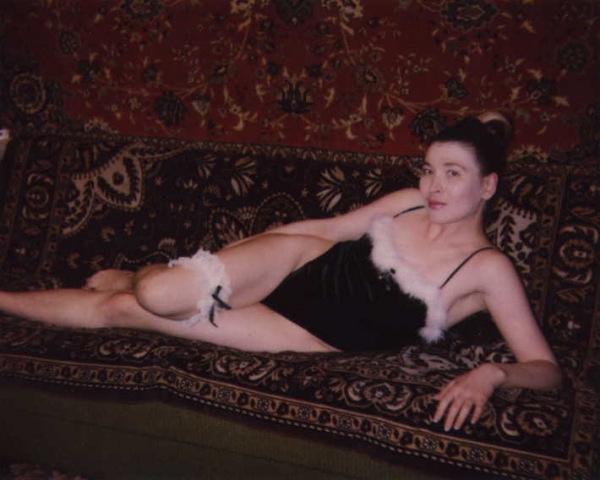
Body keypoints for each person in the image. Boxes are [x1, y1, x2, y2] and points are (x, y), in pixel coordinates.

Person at [0, 112, 561, 432]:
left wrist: (492, 374)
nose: (433, 186)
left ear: (488, 186)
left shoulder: (489, 269)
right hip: (297, 261)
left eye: (453, 173)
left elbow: (546, 370)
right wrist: (252, 248)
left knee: (126, 308)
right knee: (159, 291)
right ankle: (145, 276)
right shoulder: (406, 203)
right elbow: (327, 229)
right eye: (429, 169)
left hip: (305, 331)